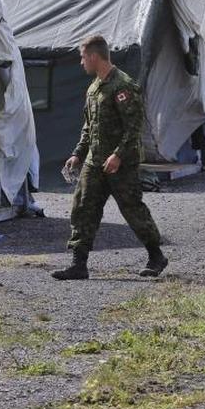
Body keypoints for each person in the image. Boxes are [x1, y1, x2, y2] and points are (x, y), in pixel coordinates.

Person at [51, 35, 168, 280]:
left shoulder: (122, 85)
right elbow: (89, 126)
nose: (81, 62)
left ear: (94, 56)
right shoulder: (94, 87)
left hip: (120, 164)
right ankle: (78, 264)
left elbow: (134, 127)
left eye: (83, 57)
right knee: (83, 208)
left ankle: (156, 255)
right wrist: (78, 153)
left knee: (132, 208)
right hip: (95, 162)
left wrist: (118, 155)